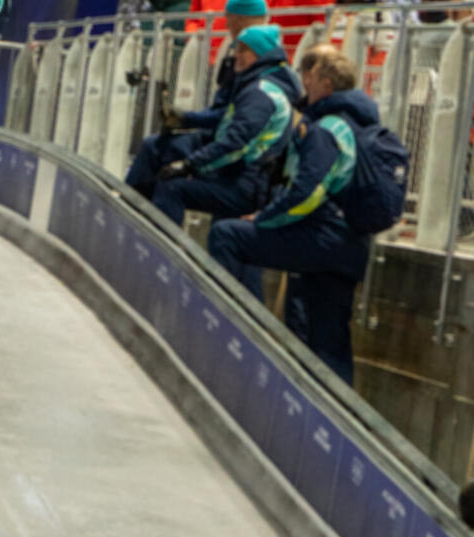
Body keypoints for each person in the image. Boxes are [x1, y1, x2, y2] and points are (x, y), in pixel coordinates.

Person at [207, 52, 375, 383]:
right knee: (329, 336)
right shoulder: (362, 125)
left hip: (322, 237)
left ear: (326, 84)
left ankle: (226, 336)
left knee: (228, 235)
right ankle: (334, 406)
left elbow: (306, 193)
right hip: (352, 244)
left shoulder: (327, 129)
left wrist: (263, 219)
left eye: (310, 76)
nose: (305, 82)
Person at [149, 25, 298, 228]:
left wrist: (189, 164)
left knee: (172, 188)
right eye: (236, 49)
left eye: (243, 50)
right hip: (239, 176)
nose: (236, 55)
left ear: (260, 54)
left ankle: (157, 245)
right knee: (161, 154)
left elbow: (235, 144)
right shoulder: (255, 85)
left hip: (245, 185)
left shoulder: (260, 94)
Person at [125, 0, 268, 198]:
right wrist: (184, 119)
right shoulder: (235, 57)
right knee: (154, 146)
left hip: (235, 155)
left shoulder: (262, 72)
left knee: (169, 179)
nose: (226, 24)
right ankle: (132, 205)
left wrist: (189, 158)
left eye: (229, 19)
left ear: (241, 20)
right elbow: (223, 110)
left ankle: (134, 206)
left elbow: (234, 127)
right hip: (218, 137)